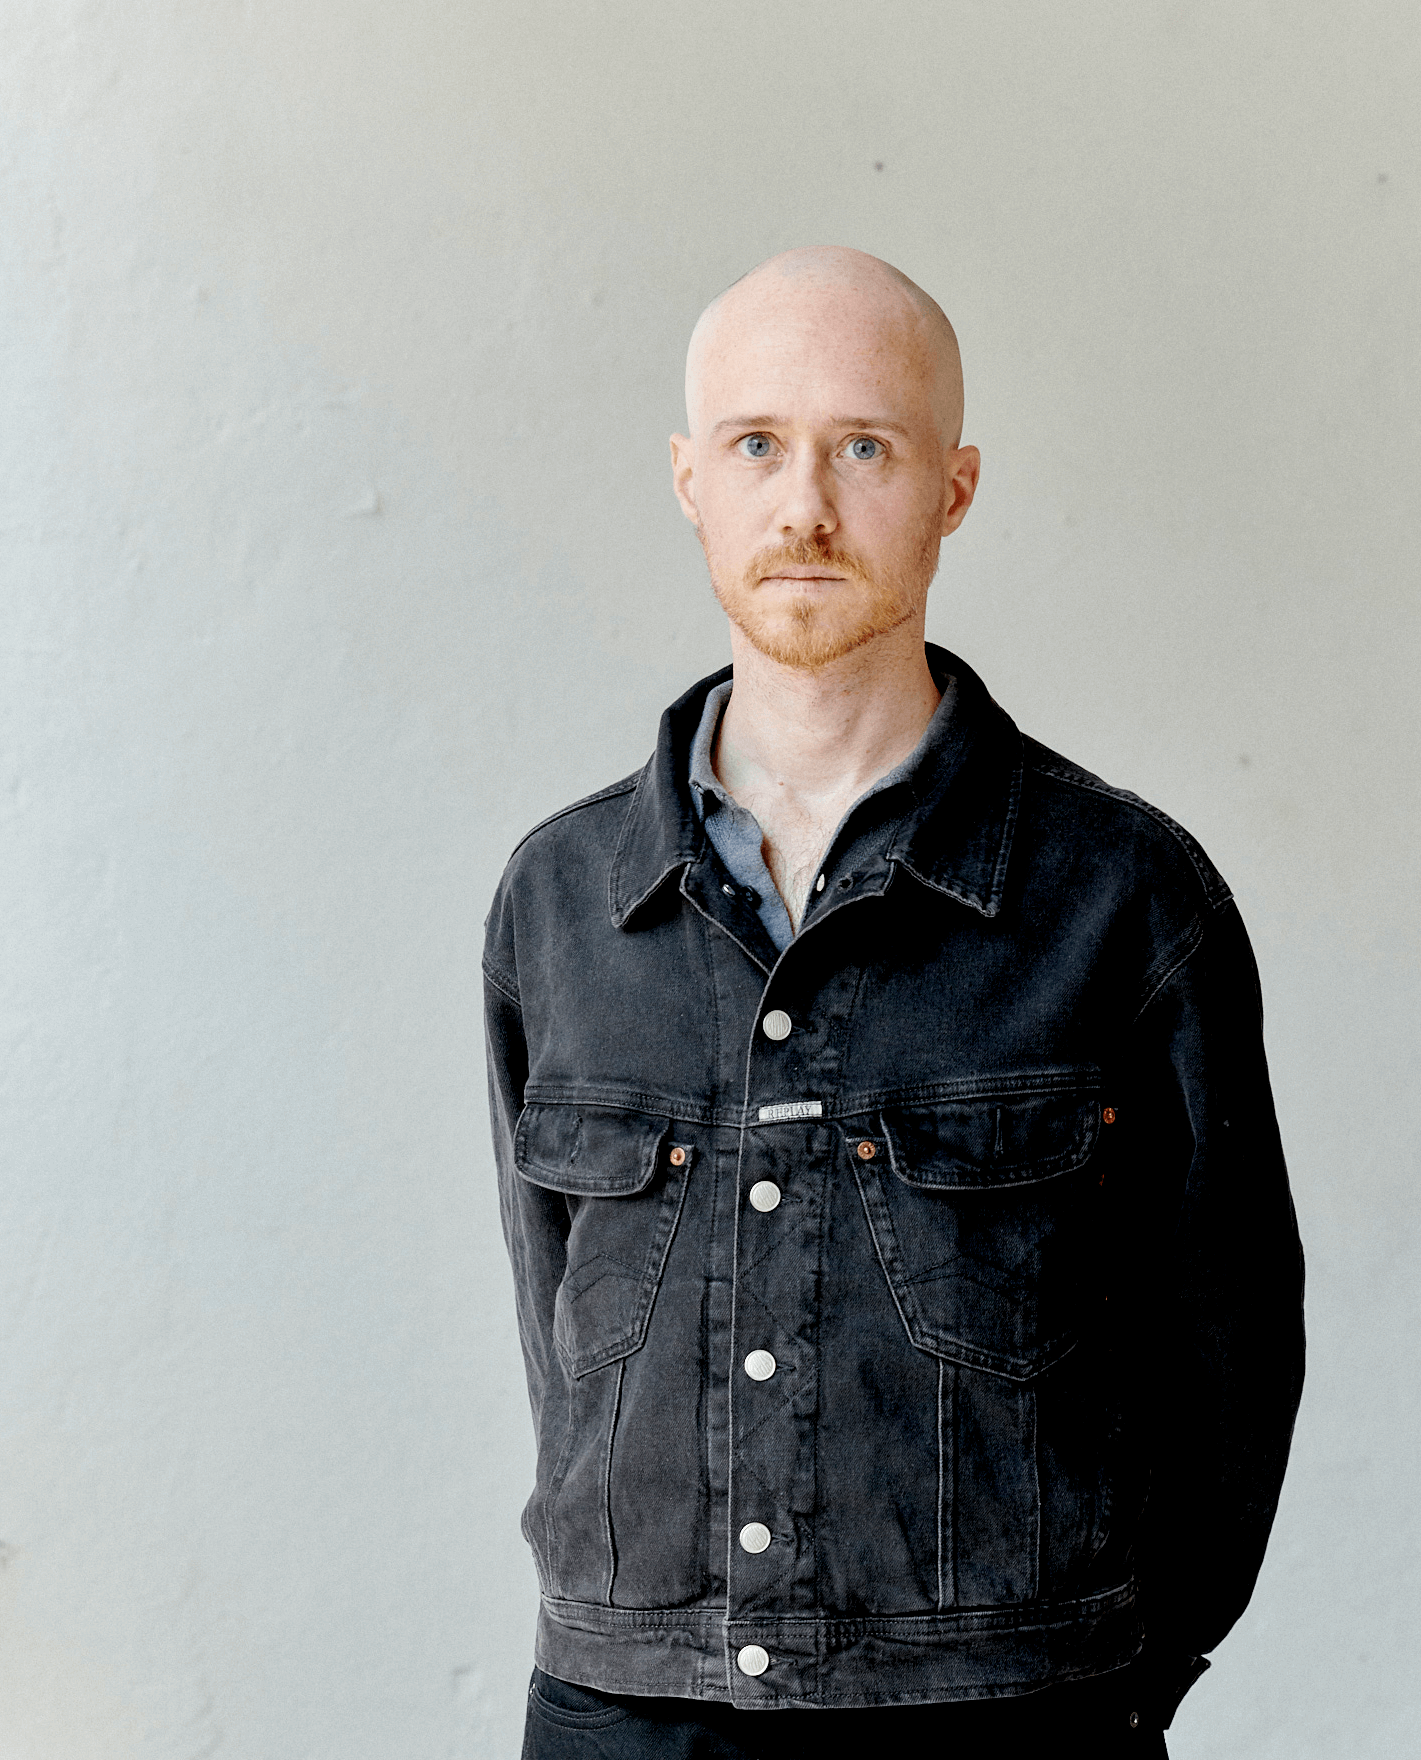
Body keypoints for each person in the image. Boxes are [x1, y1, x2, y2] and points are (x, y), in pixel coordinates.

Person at [484, 247, 1304, 1759]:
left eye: (864, 447)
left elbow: (1231, 1356)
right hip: (625, 1720)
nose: (804, 507)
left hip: (1008, 1721)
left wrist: (1108, 1686)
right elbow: (559, 1340)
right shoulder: (561, 900)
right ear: (688, 480)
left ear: (955, 486)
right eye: (756, 447)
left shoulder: (1122, 899)